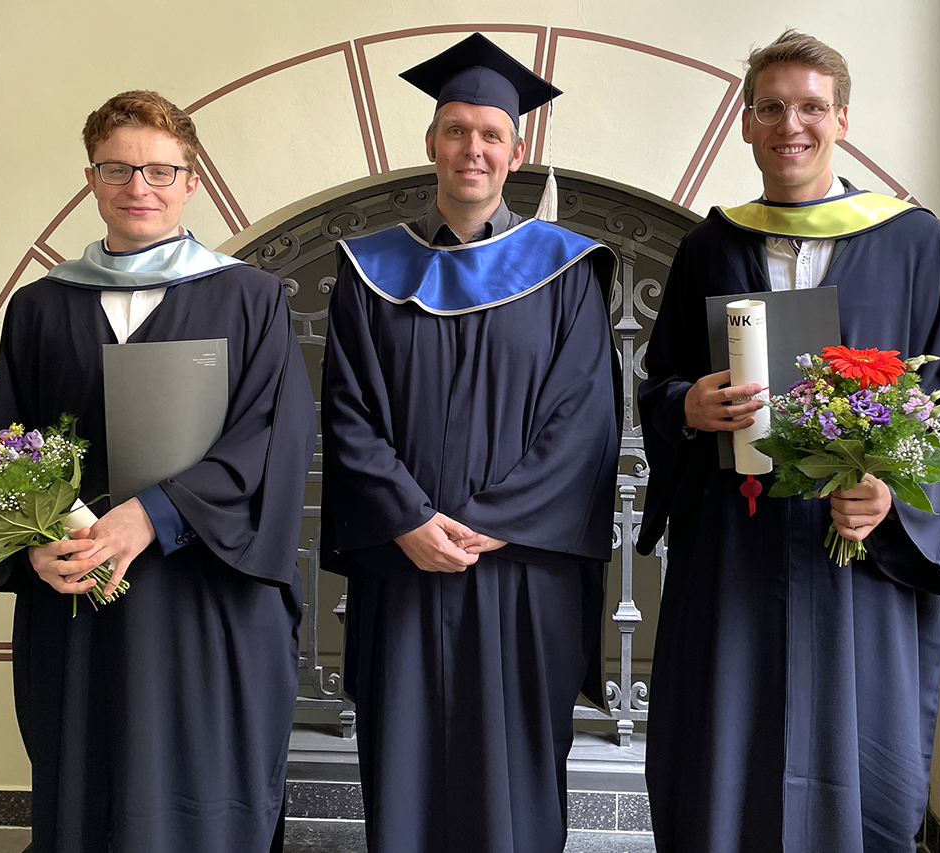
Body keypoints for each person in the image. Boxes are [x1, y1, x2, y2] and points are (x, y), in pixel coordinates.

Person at [637, 30, 940, 853]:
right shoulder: (710, 244)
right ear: (747, 122)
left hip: (857, 556)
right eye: (770, 108)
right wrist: (688, 404)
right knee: (726, 754)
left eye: (808, 108)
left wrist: (894, 493)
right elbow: (659, 381)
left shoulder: (913, 242)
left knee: (859, 761)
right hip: (737, 546)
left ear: (840, 120)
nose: (788, 125)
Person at [0, 90, 314, 853]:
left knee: (200, 791)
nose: (140, 188)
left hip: (204, 591)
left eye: (161, 170)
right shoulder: (41, 307)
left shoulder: (250, 297)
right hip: (81, 592)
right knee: (85, 789)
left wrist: (153, 514)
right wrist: (32, 541)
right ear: (91, 180)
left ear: (193, 181)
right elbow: (1, 447)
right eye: (118, 169)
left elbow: (271, 437)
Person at [320, 33, 621, 853]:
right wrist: (409, 518)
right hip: (404, 556)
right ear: (430, 143)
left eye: (491, 133)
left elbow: (584, 419)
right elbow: (347, 410)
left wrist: (498, 519)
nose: (473, 148)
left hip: (520, 565)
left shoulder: (563, 270)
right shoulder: (373, 269)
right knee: (406, 757)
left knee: (514, 760)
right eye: (456, 130)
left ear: (516, 150)